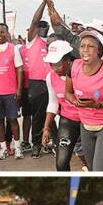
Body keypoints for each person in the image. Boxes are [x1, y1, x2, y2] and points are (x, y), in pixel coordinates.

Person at [66, 31, 103, 171]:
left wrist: (98, 105)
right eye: (82, 46)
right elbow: (68, 92)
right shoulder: (73, 67)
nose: (85, 50)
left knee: (99, 170)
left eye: (90, 46)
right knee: (93, 168)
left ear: (99, 50)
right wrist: (75, 101)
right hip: (86, 124)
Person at [0, 22, 25, 160]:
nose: (0, 34)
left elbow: (19, 69)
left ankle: (17, 147)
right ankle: (3, 148)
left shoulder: (13, 49)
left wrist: (19, 89)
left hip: (10, 92)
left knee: (13, 120)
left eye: (2, 32)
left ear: (7, 34)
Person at [43, 40, 82, 171]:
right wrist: (46, 128)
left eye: (58, 64)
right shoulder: (50, 77)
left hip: (88, 119)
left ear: (68, 60)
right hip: (68, 120)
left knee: (94, 161)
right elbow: (53, 103)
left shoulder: (82, 73)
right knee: (61, 163)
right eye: (51, 64)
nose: (55, 68)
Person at [25, 7, 53, 157]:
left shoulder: (53, 41)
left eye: (44, 26)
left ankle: (50, 143)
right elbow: (35, 20)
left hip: (53, 83)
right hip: (37, 84)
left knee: (53, 115)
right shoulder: (32, 40)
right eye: (39, 26)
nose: (42, 28)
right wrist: (43, 3)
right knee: (37, 117)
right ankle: (36, 144)